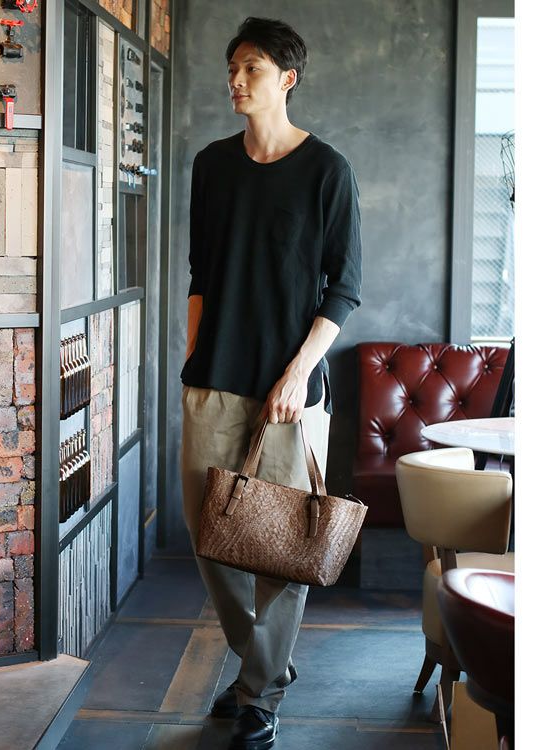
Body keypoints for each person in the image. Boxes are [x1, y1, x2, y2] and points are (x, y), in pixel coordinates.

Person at [179, 16, 362, 750]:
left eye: (251, 67)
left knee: (280, 549)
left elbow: (343, 290)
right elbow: (200, 272)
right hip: (214, 375)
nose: (236, 79)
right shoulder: (211, 165)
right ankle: (267, 668)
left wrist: (298, 372)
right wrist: (194, 351)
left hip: (289, 388)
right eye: (232, 67)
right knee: (209, 534)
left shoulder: (327, 171)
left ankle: (258, 695)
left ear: (287, 78)